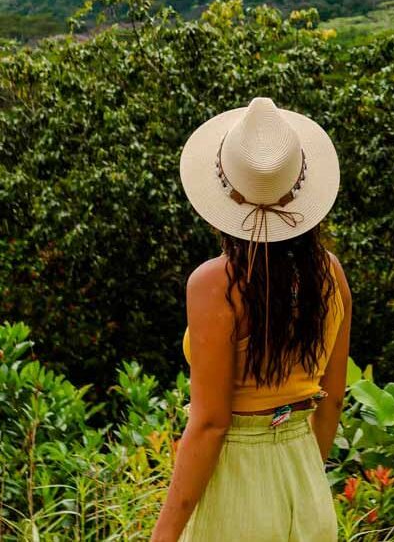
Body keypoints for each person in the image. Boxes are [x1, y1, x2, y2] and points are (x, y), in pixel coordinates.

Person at [150, 96, 351, 542]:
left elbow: (210, 423)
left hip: (236, 491)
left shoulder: (215, 284)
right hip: (307, 486)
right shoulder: (331, 274)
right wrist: (299, 473)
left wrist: (163, 536)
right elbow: (333, 398)